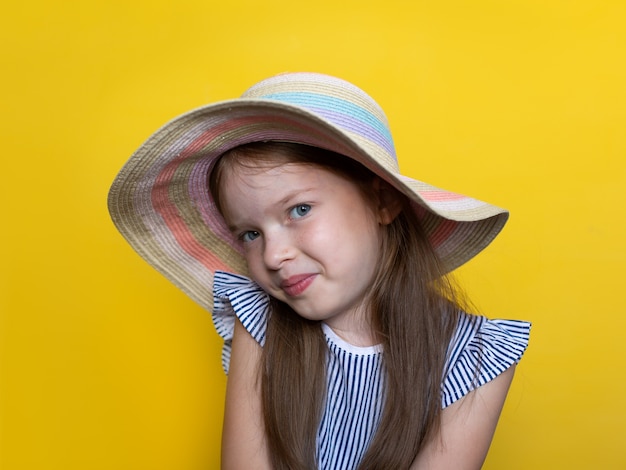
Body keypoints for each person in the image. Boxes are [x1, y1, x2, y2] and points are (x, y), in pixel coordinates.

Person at [108, 72, 530, 469]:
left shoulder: (475, 360)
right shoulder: (260, 325)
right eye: (250, 234)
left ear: (383, 201)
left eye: (299, 210)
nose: (273, 256)